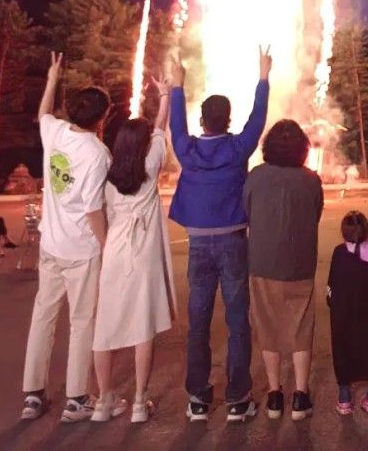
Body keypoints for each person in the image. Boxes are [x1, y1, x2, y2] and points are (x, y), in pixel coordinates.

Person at [170, 46, 272, 424]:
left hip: (198, 244)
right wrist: (263, 78)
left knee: (198, 321)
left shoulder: (188, 149)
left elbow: (176, 127)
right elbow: (258, 121)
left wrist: (176, 88)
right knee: (237, 320)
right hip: (232, 241)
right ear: (227, 120)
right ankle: (237, 399)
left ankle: (198, 398)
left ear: (203, 120)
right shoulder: (236, 148)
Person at [21, 52, 112, 423]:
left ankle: (32, 395)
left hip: (51, 244)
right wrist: (109, 248)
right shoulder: (97, 154)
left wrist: (52, 79)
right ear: (102, 118)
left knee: (43, 316)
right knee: (82, 321)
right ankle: (76, 399)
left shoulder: (55, 132)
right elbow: (93, 209)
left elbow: (44, 113)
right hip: (80, 249)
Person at [91, 68, 177, 424]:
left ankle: (103, 402)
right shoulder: (150, 164)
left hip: (114, 252)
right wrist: (166, 95)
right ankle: (140, 401)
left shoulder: (109, 176)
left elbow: (96, 212)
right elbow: (159, 128)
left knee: (104, 329)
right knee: (142, 328)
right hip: (143, 254)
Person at [243, 119, 324, 422]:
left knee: (268, 326)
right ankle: (301, 395)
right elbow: (315, 215)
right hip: (300, 263)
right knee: (301, 327)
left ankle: (275, 394)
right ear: (302, 149)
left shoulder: (256, 176)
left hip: (263, 262)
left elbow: (247, 212)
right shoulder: (311, 180)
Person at [327, 210, 368, 416]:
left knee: (344, 350)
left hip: (344, 315)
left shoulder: (339, 253)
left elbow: (331, 286)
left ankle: (344, 397)